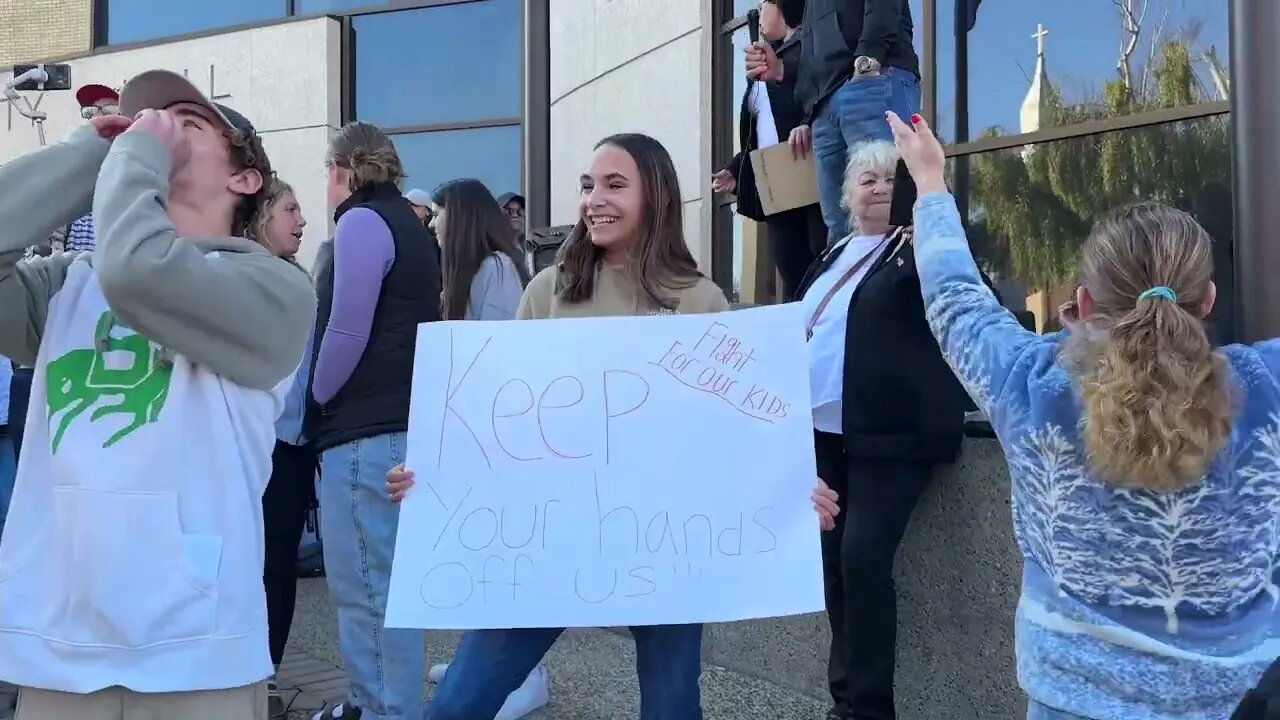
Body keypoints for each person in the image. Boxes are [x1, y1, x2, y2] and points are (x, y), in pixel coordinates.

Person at [404, 132, 838, 720]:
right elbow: (494, 417)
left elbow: (733, 436)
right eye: (587, 185)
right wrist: (429, 472)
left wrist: (790, 492)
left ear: (655, 196)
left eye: (613, 185)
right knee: (457, 703)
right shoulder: (547, 292)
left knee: (671, 707)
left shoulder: (700, 301)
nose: (594, 200)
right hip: (550, 537)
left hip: (665, 543)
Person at [888, 109, 1280, 719]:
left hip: (1069, 699)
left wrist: (931, 184)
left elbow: (956, 303)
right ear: (1208, 299)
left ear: (1088, 301)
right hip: (1235, 700)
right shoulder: (1269, 387)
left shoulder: (1033, 382)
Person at [0, 69, 314, 719]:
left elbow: (141, 270)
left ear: (244, 178)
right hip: (61, 641)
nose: (153, 131)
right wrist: (86, 155)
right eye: (144, 122)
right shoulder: (68, 284)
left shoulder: (276, 289)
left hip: (196, 645)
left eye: (185, 123)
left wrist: (135, 158)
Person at [794, 139, 970, 720]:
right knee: (833, 565)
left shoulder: (921, 246)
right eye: (866, 178)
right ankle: (843, 700)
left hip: (891, 435)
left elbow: (970, 304)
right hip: (824, 433)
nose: (878, 187)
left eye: (891, 178)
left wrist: (933, 248)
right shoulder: (833, 253)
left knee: (864, 561)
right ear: (849, 194)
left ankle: (866, 711)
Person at [306, 121, 441, 720]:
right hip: (402, 426)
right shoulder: (415, 230)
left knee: (364, 591)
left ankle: (384, 711)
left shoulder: (360, 222)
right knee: (388, 589)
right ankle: (381, 706)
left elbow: (346, 328)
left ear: (340, 169)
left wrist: (314, 398)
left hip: (362, 432)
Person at [746, 0, 920, 247]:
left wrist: (867, 61)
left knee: (893, 213)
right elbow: (822, 44)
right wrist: (782, 69)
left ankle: (908, 283)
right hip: (825, 106)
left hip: (869, 84)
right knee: (841, 227)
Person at [249, 178, 317, 718]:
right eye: (291, 209)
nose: (301, 221)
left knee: (277, 567)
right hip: (248, 445)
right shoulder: (236, 277)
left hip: (288, 448)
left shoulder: (301, 282)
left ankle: (267, 675)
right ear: (262, 213)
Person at [713, 0, 824, 301]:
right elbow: (761, 126)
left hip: (808, 164)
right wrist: (737, 168)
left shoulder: (811, 48)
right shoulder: (772, 57)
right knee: (790, 266)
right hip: (777, 172)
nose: (760, 12)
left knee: (818, 258)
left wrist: (806, 122)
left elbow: (821, 95)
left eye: (765, 4)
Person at [432, 179, 530, 321]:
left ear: (461, 216)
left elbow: (496, 336)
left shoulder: (496, 267)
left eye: (436, 214)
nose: (431, 223)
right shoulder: (467, 269)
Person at [65, 84, 122, 254]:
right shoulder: (74, 179)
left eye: (108, 110)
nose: (96, 117)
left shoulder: (139, 179)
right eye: (90, 111)